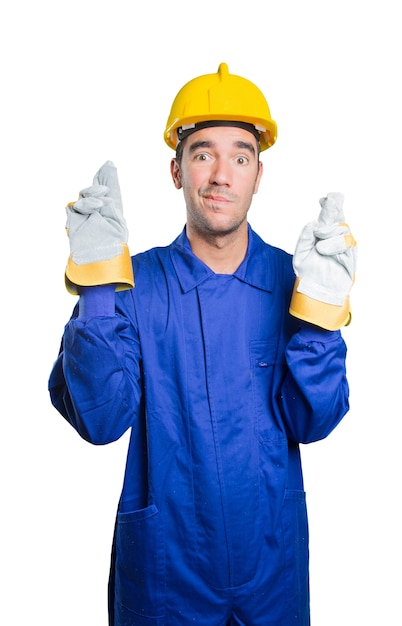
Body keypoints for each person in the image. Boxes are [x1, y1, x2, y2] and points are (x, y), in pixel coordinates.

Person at [49, 62, 357, 626]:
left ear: (258, 174)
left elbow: (311, 421)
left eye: (240, 157)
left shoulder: (296, 282)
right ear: (176, 170)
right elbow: (101, 421)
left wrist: (320, 318)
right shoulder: (133, 288)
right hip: (166, 574)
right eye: (202, 154)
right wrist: (96, 287)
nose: (221, 175)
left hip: (272, 568)